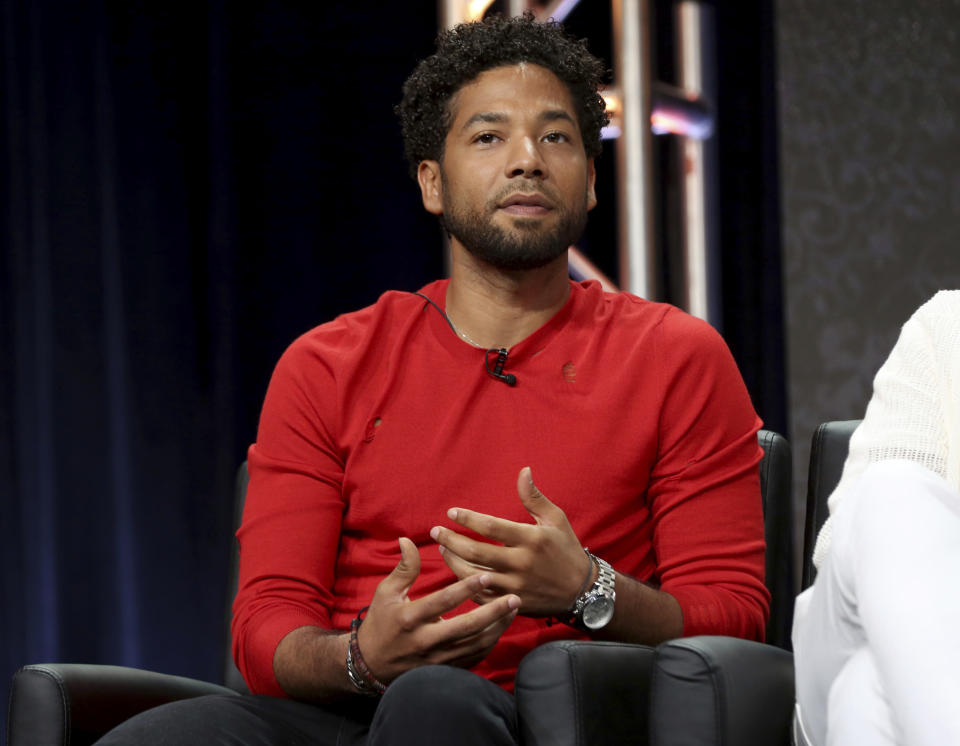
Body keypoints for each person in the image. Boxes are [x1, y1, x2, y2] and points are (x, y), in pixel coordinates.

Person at [96, 13, 768, 745]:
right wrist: (363, 657)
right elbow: (266, 628)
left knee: (437, 705)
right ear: (431, 184)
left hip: (559, 718)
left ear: (591, 182)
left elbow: (734, 615)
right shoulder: (328, 366)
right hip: (351, 708)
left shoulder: (676, 356)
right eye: (488, 137)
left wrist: (587, 590)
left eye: (557, 137)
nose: (528, 161)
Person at [792, 290, 960, 746]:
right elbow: (846, 544)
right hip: (852, 631)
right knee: (891, 486)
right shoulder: (949, 324)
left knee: (865, 689)